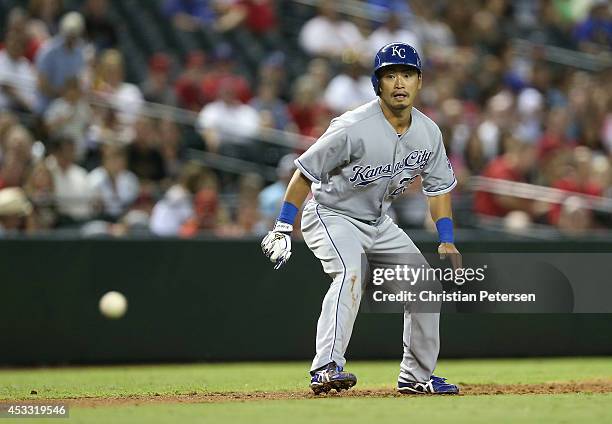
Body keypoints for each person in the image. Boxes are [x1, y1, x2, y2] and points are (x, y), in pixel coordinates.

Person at [261, 43, 460, 395]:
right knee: (351, 272)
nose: (399, 82)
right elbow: (304, 172)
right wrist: (281, 225)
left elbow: (439, 187)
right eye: (390, 75)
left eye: (407, 74)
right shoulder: (352, 126)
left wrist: (446, 237)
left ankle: (415, 377)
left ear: (419, 81)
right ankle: (326, 367)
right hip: (331, 214)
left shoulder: (429, 133)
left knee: (425, 286)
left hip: (379, 222)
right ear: (378, 83)